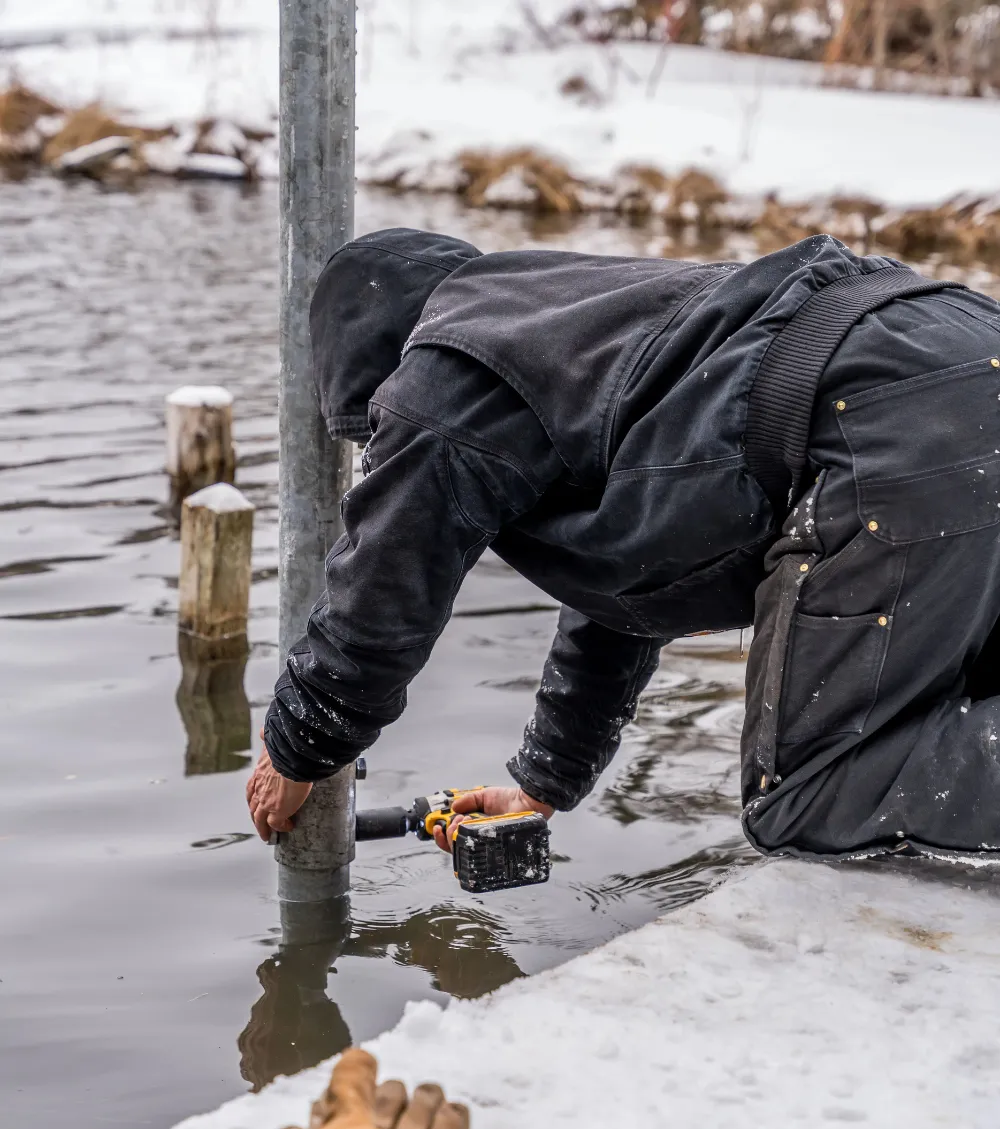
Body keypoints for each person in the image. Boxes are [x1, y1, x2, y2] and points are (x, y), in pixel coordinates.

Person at [246, 227, 1000, 862]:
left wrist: (296, 746)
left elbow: (380, 595)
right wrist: (546, 780)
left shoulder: (437, 379)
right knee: (960, 701)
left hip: (883, 417)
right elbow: (625, 590)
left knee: (810, 797)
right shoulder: (561, 322)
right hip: (963, 345)